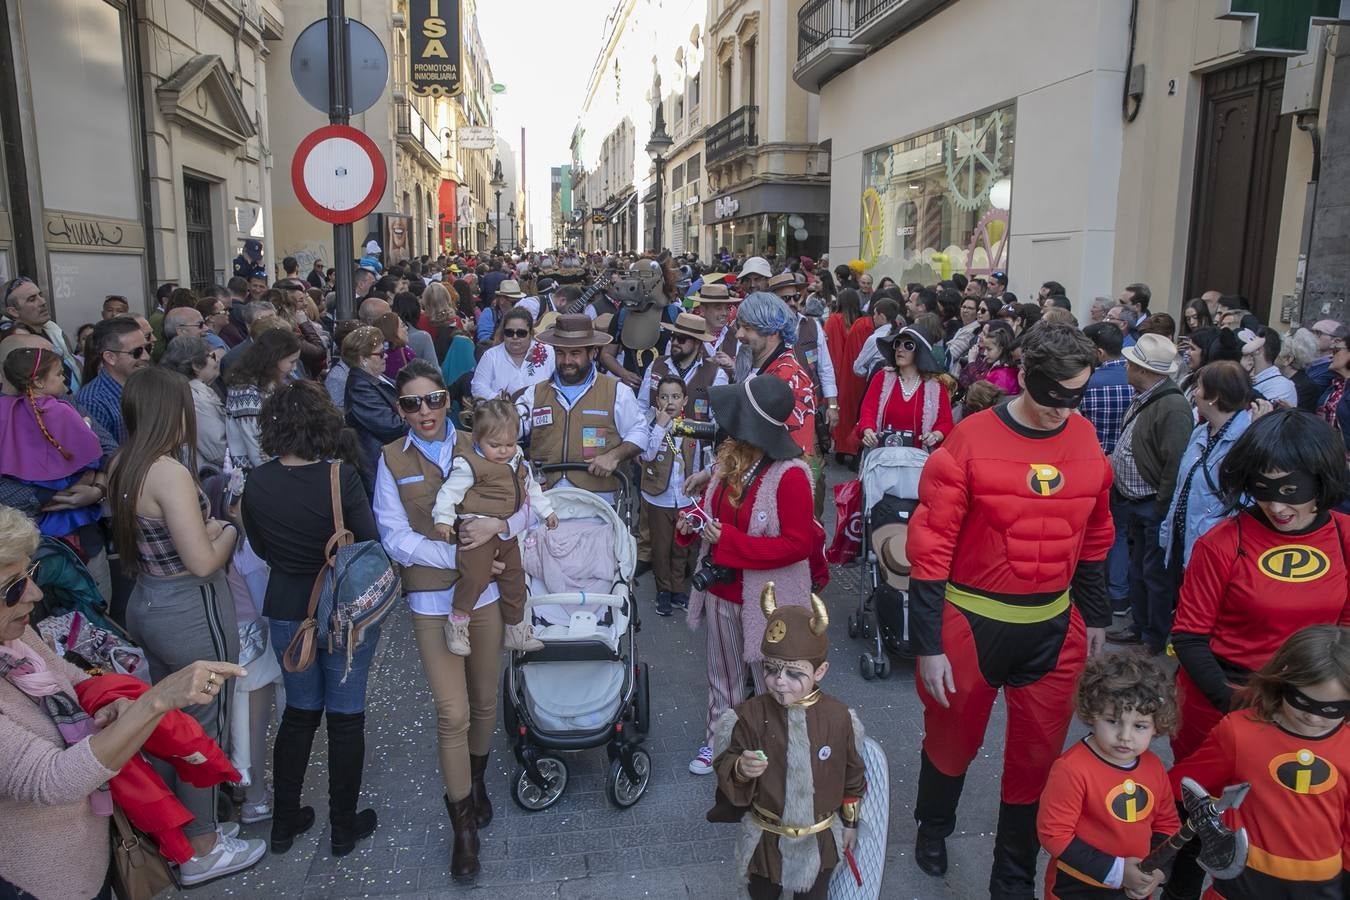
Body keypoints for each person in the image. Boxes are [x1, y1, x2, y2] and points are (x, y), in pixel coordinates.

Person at [907, 324, 1113, 899]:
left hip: (1053, 621)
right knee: (951, 740)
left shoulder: (1086, 438)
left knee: (1036, 756)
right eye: (1050, 394)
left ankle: (1012, 875)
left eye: (1074, 396)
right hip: (970, 623)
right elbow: (930, 551)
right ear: (1024, 376)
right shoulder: (969, 440)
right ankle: (934, 827)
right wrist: (927, 645)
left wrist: (1095, 615)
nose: (1060, 409)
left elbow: (1095, 535)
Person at [0, 506, 254, 897]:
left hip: (88, 857)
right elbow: (53, 780)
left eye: (30, 576)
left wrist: (110, 707)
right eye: (13, 588)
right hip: (38, 883)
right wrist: (156, 701)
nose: (34, 594)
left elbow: (72, 680)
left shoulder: (15, 640)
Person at [374, 360, 536, 881]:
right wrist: (460, 556)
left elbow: (526, 501)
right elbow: (393, 534)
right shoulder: (391, 460)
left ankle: (479, 777)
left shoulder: (487, 437)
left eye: (434, 398)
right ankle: (462, 826)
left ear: (449, 399)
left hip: (487, 595)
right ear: (399, 409)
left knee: (486, 701)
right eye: (412, 403)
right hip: (432, 601)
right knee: (452, 712)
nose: (425, 411)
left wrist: (499, 523)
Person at [107, 367, 265, 881]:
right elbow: (201, 560)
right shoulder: (169, 471)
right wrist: (227, 528)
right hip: (190, 605)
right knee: (201, 727)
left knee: (170, 724)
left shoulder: (121, 463)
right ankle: (201, 846)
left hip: (146, 600)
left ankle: (186, 832)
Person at [240, 381, 382, 857]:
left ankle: (284, 824)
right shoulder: (339, 477)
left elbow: (260, 548)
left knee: (298, 715)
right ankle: (343, 826)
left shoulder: (256, 481)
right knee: (346, 718)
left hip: (286, 606)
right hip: (342, 609)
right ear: (324, 422)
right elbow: (368, 540)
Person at [677, 377, 826, 777]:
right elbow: (715, 515)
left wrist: (730, 540)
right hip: (722, 591)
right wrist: (693, 521)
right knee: (721, 677)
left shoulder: (791, 476)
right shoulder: (729, 462)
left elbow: (797, 546)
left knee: (772, 683)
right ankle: (719, 740)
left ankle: (773, 750)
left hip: (768, 602)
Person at [1171, 625, 1350, 900]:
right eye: (1302, 701)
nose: (1313, 718)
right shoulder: (1240, 732)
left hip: (1326, 885)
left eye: (1331, 709)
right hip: (1242, 879)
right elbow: (1178, 789)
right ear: (1282, 680)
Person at [709, 591, 866, 900]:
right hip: (766, 839)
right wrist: (741, 767)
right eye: (771, 669)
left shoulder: (838, 718)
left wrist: (850, 823)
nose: (779, 681)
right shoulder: (750, 715)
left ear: (820, 671)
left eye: (794, 672)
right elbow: (726, 764)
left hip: (819, 839)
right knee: (762, 894)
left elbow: (852, 774)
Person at [1036, 652, 1180, 900]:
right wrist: (1118, 872)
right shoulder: (1071, 768)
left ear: (1157, 725)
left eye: (1139, 726)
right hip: (1077, 886)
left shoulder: (1153, 766)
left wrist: (1158, 871)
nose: (1125, 736)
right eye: (1113, 721)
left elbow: (1167, 825)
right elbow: (1054, 834)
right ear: (1093, 714)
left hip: (1134, 885)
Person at [430, 395, 554, 655]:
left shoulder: (517, 457)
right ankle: (457, 621)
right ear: (476, 439)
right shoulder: (469, 464)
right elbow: (448, 493)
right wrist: (442, 518)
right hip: (477, 530)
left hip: (506, 531)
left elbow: (531, 488)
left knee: (515, 578)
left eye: (510, 443)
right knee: (475, 576)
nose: (504, 451)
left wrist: (547, 511)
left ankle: (516, 628)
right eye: (495, 445)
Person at [0, 347, 112, 596]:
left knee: (96, 597)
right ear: (37, 380)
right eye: (60, 373)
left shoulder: (67, 403)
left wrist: (98, 488)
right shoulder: (58, 410)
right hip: (32, 541)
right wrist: (47, 496)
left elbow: (108, 448)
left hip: (84, 533)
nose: (65, 379)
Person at [1106, 334, 1192, 655]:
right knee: (1139, 570)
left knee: (1154, 575)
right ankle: (1140, 627)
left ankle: (1153, 637)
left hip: (1151, 506)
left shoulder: (1172, 406)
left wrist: (1160, 507)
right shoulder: (1147, 395)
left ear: (1142, 369)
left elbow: (1175, 461)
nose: (1126, 368)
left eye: (1131, 364)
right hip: (1137, 503)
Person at [522, 313, 647, 498]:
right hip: (545, 497)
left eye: (575, 353)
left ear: (592, 352)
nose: (566, 361)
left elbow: (640, 432)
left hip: (599, 499)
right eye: (560, 353)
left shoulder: (617, 391)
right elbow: (512, 426)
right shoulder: (534, 393)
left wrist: (614, 456)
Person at [1159, 361, 1252, 571]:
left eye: (1199, 387)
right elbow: (1183, 486)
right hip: (1183, 544)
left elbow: (1245, 506)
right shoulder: (1201, 431)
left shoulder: (1246, 442)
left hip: (1214, 554)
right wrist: (1167, 533)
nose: (1195, 393)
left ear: (1215, 396)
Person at [642, 375, 699, 616]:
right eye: (664, 396)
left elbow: (697, 462)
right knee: (661, 547)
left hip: (685, 498)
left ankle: (678, 590)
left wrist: (697, 488)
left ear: (685, 400)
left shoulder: (693, 427)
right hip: (658, 497)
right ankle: (663, 591)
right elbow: (646, 454)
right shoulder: (650, 425)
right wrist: (660, 424)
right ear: (657, 400)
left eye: (675, 396)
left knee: (680, 547)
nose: (670, 401)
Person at [736, 293, 819, 459]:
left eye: (747, 328)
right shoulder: (757, 367)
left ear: (772, 332)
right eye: (739, 326)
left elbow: (794, 455)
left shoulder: (790, 379)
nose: (739, 334)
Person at [857, 326, 954, 451]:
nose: (900, 349)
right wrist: (868, 431)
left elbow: (946, 423)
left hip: (918, 462)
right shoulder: (882, 377)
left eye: (908, 345)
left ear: (920, 351)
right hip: (882, 459)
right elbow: (868, 412)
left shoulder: (936, 387)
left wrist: (935, 436)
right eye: (897, 344)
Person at [224, 327, 301, 480]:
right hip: (257, 476)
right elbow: (257, 448)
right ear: (274, 358)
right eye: (292, 362)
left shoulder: (271, 383)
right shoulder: (245, 393)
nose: (295, 368)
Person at [343, 326, 408, 494]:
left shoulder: (376, 377)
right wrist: (418, 421)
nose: (385, 355)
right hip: (376, 461)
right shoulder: (359, 387)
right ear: (363, 358)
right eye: (380, 353)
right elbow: (390, 426)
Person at [636, 311, 726, 420]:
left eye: (682, 339)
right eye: (673, 337)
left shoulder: (716, 375)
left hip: (694, 436)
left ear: (697, 343)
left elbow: (716, 420)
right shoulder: (656, 365)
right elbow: (641, 406)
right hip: (656, 434)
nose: (675, 342)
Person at [162, 334, 228, 473]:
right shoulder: (195, 398)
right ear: (196, 365)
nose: (216, 361)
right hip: (205, 476)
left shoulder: (187, 390)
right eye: (212, 356)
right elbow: (218, 449)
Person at [75, 317, 148, 441]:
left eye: (148, 348)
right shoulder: (92, 401)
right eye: (137, 352)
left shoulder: (147, 384)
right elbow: (101, 455)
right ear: (110, 357)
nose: (146, 356)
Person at [469, 307, 555, 401]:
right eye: (509, 333)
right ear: (503, 333)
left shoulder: (548, 352)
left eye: (521, 333)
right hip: (503, 412)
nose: (515, 337)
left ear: (530, 333)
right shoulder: (491, 356)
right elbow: (478, 387)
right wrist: (501, 401)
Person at [823, 287, 869, 459]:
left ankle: (841, 448)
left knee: (839, 411)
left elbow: (831, 351)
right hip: (859, 374)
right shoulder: (863, 322)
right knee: (856, 410)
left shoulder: (834, 320)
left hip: (840, 374)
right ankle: (855, 446)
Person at [1240, 326, 1297, 407]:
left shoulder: (1281, 386)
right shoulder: (1247, 378)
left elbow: (1251, 418)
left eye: (1243, 353)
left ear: (1257, 350)